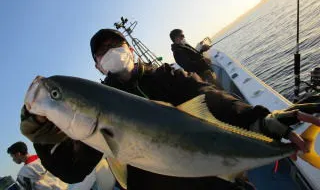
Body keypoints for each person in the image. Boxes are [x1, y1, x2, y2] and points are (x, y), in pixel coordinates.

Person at [20, 29, 319, 190]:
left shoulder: (166, 76)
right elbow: (72, 171)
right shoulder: (97, 108)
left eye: (116, 44)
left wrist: (263, 120)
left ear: (131, 50)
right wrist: (43, 134)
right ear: (97, 65)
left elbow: (211, 97)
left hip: (214, 180)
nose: (110, 52)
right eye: (101, 52)